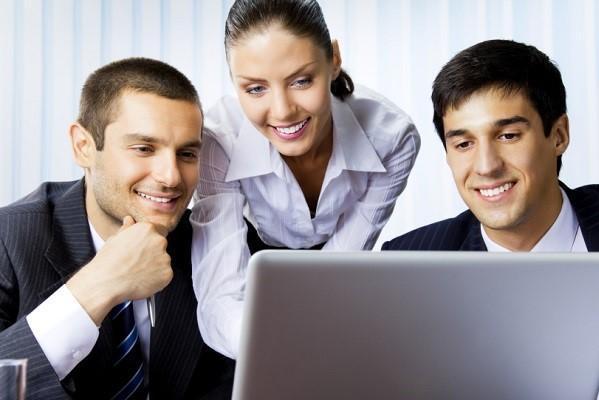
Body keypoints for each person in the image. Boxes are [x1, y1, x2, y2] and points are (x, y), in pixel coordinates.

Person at [191, 0, 421, 359]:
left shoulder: (390, 138)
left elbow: (341, 262)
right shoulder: (219, 140)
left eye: (301, 81)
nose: (283, 111)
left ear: (334, 59)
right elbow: (220, 294)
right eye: (255, 89)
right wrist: (273, 347)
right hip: (248, 257)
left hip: (335, 266)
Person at [0, 58, 234, 399]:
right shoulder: (9, 239)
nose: (171, 177)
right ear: (83, 146)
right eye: (144, 149)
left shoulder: (215, 248)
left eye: (186, 154)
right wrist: (100, 284)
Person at [383, 39, 599, 252]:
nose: (486, 167)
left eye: (508, 136)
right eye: (464, 144)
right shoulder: (407, 257)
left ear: (559, 136)